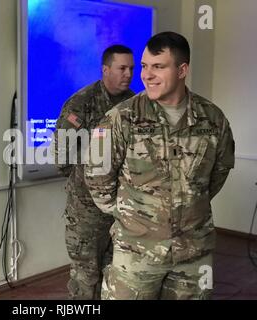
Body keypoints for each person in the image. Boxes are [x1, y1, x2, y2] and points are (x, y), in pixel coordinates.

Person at [85, 32, 235, 300]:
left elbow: (217, 174)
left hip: (193, 252)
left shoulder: (213, 120)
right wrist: (135, 219)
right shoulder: (121, 119)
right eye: (144, 66)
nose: (146, 75)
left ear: (182, 70)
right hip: (136, 253)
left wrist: (186, 203)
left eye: (158, 66)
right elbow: (97, 179)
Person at [53, 45, 135, 299]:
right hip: (87, 212)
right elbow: (61, 156)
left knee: (115, 277)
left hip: (121, 208)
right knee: (86, 279)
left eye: (132, 68)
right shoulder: (82, 104)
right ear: (105, 69)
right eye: (122, 68)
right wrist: (88, 177)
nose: (128, 74)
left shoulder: (133, 104)